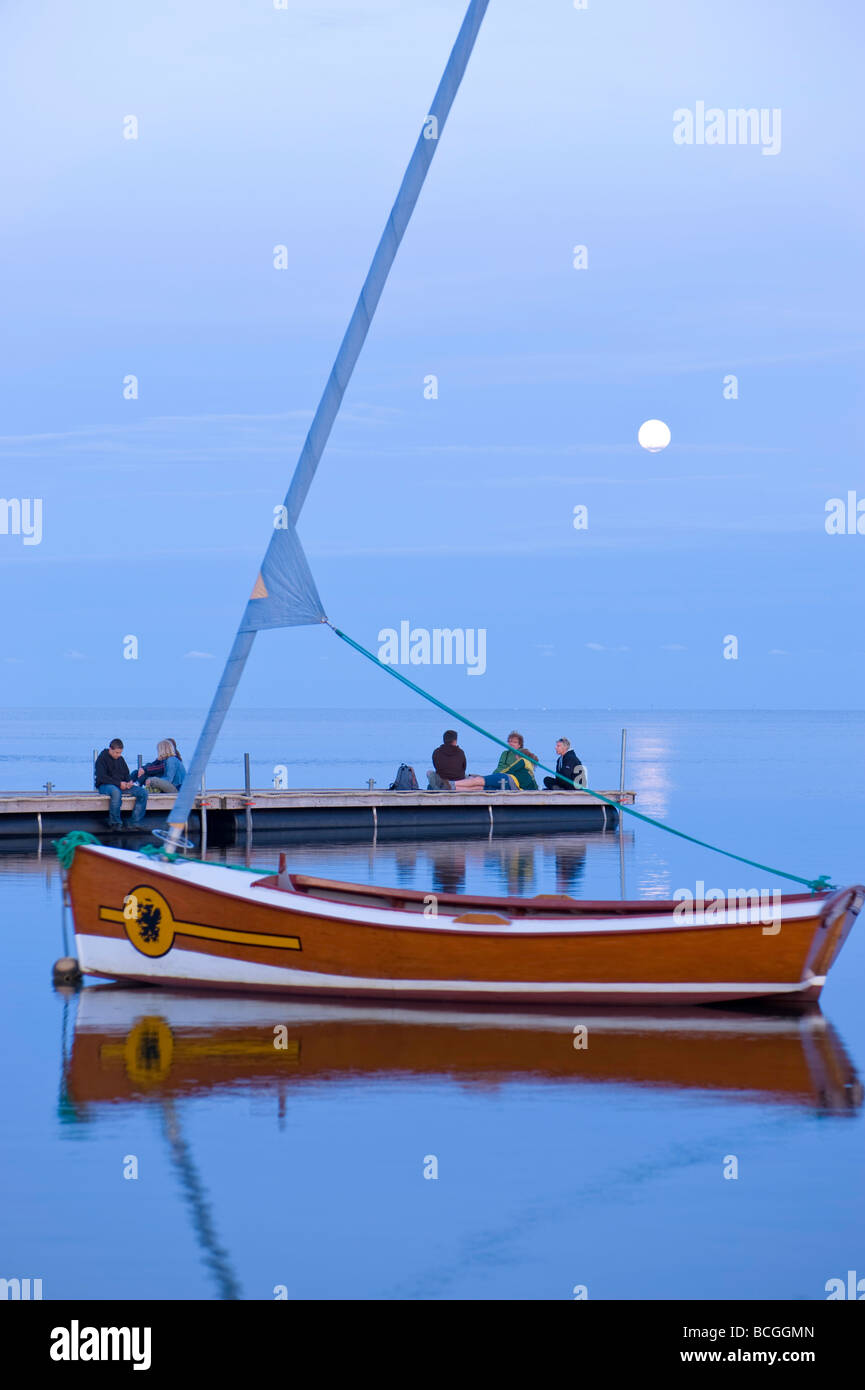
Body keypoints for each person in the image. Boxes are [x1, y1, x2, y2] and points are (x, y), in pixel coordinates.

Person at [454, 731, 539, 792]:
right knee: (479, 787)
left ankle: (452, 785)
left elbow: (510, 770)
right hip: (508, 784)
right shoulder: (529, 772)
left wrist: (493, 776)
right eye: (510, 742)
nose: (511, 744)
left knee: (479, 781)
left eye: (514, 742)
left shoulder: (523, 761)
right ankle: (454, 788)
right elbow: (535, 787)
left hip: (505, 778)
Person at [94, 738, 148, 829]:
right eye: (116, 752)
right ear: (110, 749)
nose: (118, 755)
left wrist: (129, 782)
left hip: (121, 785)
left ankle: (134, 822)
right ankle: (115, 822)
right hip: (105, 785)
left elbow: (126, 774)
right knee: (116, 792)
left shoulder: (120, 759)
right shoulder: (101, 759)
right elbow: (101, 777)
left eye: (120, 753)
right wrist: (119, 784)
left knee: (143, 793)